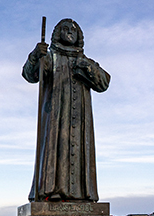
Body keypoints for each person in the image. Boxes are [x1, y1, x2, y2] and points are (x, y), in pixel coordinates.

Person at [22, 18, 110, 202]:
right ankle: (52, 190)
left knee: (79, 151)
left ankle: (82, 194)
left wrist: (86, 66)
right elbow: (30, 75)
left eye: (73, 29)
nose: (70, 31)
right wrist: (34, 56)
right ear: (57, 33)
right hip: (56, 115)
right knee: (56, 148)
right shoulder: (50, 57)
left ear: (79, 36)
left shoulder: (84, 60)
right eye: (65, 28)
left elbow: (104, 83)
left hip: (80, 120)